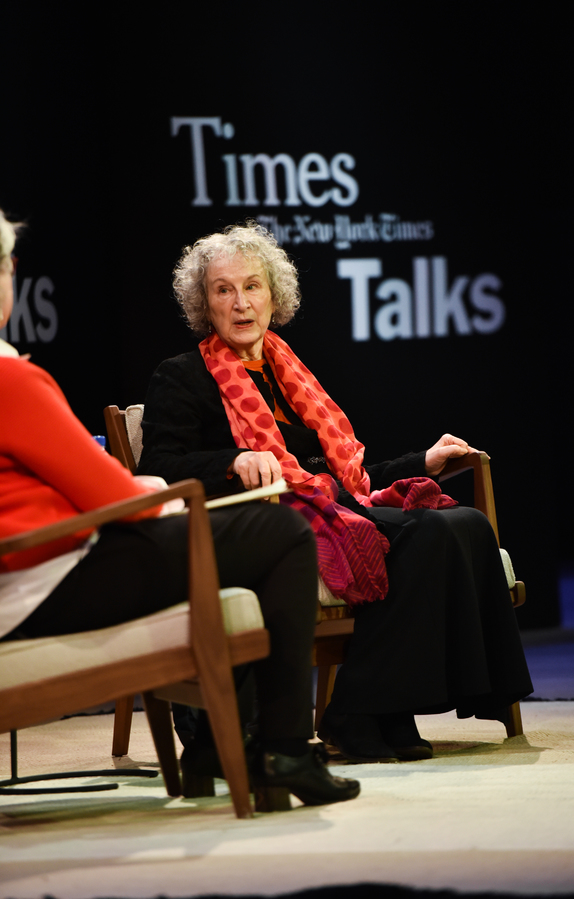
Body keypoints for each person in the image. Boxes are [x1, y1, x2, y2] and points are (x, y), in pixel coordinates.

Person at [0, 210, 360, 808]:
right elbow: (115, 494)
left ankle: (219, 750)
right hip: (50, 576)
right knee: (279, 533)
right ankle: (285, 748)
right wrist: (160, 500)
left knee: (247, 538)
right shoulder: (12, 380)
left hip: (36, 570)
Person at [138, 221, 534, 764]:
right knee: (428, 534)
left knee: (464, 522)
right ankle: (362, 713)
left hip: (334, 508)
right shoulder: (181, 376)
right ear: (204, 305)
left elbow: (346, 476)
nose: (240, 303)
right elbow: (158, 465)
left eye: (252, 286)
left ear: (274, 295)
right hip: (270, 521)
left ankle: (380, 712)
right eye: (223, 290)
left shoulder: (288, 371)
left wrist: (425, 461)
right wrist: (233, 459)